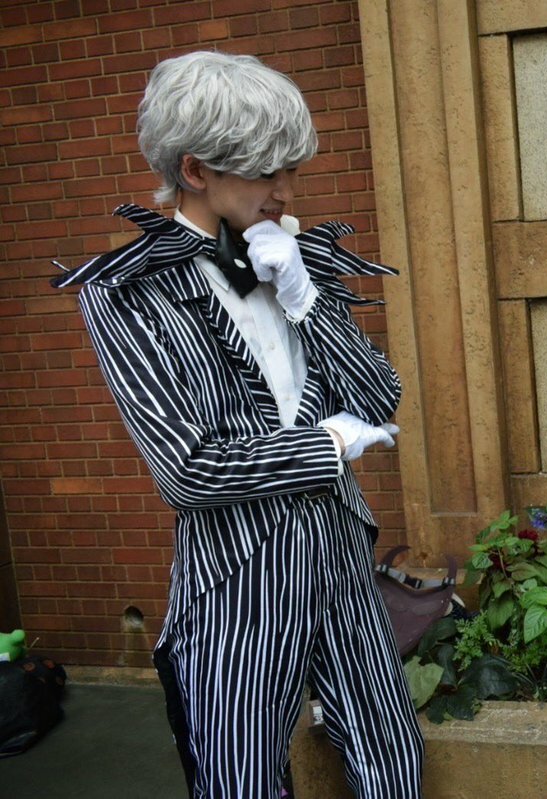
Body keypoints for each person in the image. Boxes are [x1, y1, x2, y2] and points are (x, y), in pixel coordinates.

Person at [51, 51, 423, 798]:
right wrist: (327, 443)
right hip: (238, 579)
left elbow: (379, 397)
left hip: (341, 556)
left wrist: (304, 295)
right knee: (240, 780)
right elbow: (188, 470)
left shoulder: (294, 256)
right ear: (195, 170)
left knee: (394, 759)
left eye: (293, 169)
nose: (286, 192)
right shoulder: (128, 295)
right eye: (265, 173)